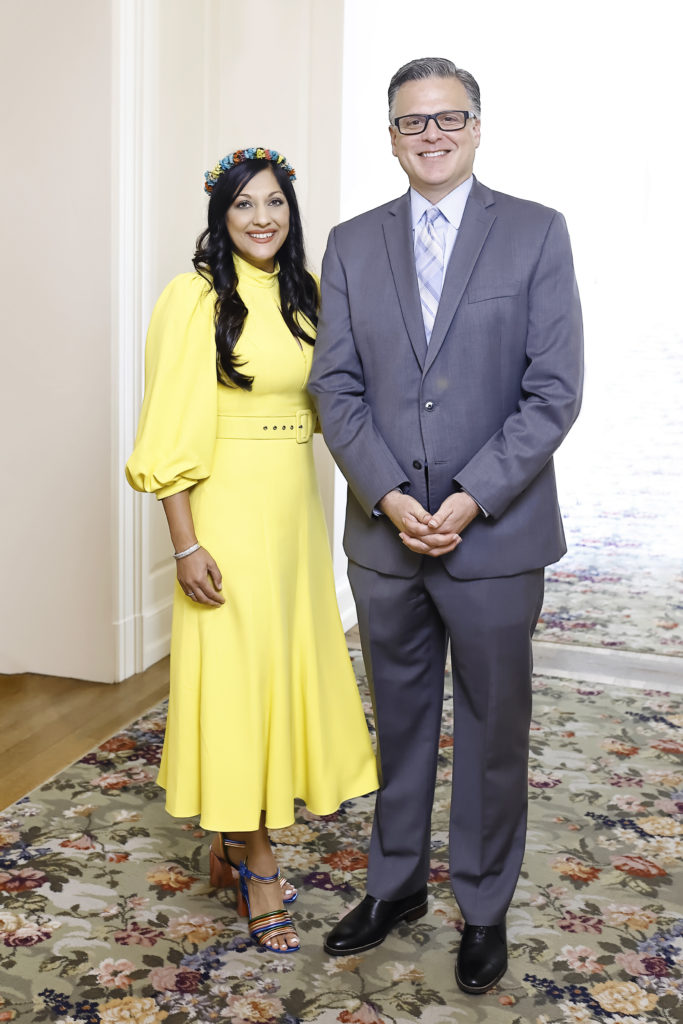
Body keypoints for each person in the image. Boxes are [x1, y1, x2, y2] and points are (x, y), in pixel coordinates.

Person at [309, 59, 583, 991]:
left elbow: (552, 393)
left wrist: (470, 495)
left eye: (448, 117)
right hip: (386, 538)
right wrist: (388, 494)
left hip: (495, 536)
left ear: (475, 126)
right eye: (410, 122)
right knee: (399, 722)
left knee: (494, 727)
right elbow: (334, 386)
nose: (430, 134)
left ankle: (482, 905)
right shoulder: (349, 245)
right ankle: (395, 887)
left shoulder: (536, 234)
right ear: (389, 135)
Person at [126, 147, 378, 954]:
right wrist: (186, 544)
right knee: (236, 683)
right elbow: (167, 427)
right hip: (224, 509)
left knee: (280, 673)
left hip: (293, 510)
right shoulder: (193, 297)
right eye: (244, 206)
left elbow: (334, 401)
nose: (262, 218)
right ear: (220, 216)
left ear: (290, 212)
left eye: (274, 203)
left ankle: (232, 840)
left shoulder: (307, 295)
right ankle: (257, 863)